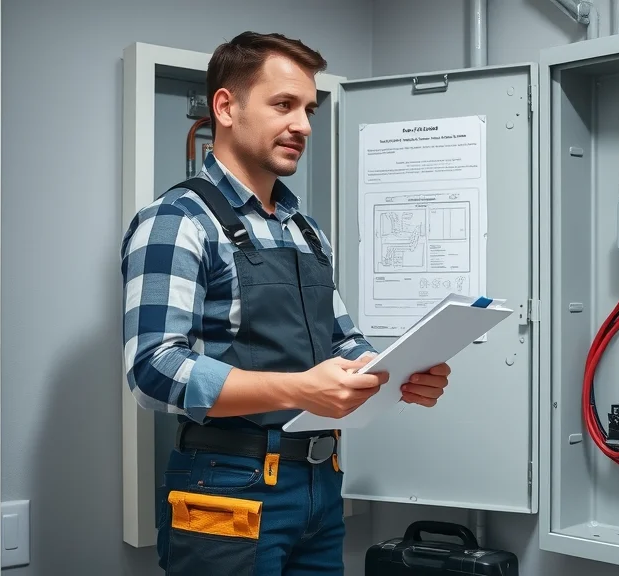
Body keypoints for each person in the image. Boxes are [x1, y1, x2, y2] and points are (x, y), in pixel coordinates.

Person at [120, 31, 452, 575]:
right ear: (226, 107)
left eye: (308, 109)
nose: (303, 125)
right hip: (228, 489)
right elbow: (153, 371)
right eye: (284, 105)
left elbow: (342, 339)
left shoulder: (304, 229)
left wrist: (395, 373)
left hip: (320, 487)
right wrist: (300, 389)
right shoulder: (177, 220)